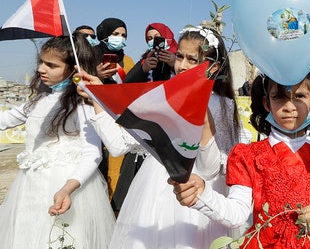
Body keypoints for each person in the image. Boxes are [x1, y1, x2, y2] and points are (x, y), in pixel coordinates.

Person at [77, 25, 245, 248]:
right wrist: (97, 98)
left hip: (201, 204)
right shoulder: (163, 97)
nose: (182, 66)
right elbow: (118, 146)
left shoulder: (223, 107)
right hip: (156, 201)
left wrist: (202, 116)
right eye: (180, 57)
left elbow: (210, 169)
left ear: (213, 68)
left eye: (192, 59)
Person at [169, 69, 310, 249]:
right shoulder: (248, 156)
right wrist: (201, 195)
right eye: (279, 97)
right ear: (266, 102)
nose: (289, 106)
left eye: (299, 96)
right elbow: (237, 214)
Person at [0, 35, 115, 248]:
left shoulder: (84, 104)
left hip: (63, 187)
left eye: (51, 65)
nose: (41, 69)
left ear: (74, 69)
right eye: (41, 62)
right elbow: (6, 120)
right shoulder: (39, 99)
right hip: (30, 186)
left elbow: (93, 154)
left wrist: (67, 189)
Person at [107, 22, 177, 213]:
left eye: (157, 38)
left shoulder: (179, 58)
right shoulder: (145, 60)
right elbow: (127, 86)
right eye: (149, 39)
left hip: (171, 129)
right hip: (144, 126)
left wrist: (174, 63)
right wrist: (144, 68)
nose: (153, 42)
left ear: (167, 38)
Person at [94, 17, 135, 204]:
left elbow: (135, 89)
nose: (120, 38)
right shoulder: (90, 56)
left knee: (118, 168)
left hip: (120, 121)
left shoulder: (128, 60)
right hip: (94, 120)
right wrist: (97, 76)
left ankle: (115, 207)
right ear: (103, 34)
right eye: (115, 34)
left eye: (123, 35)